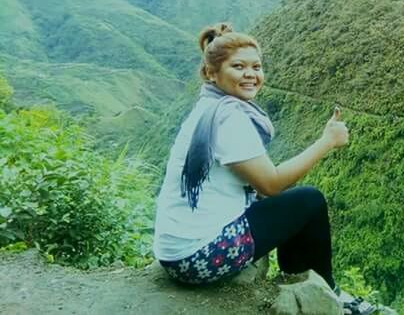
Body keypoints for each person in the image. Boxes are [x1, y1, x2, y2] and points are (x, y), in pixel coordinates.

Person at [153, 22, 375, 314]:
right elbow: (270, 184)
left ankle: (302, 282)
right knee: (309, 200)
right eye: (238, 66)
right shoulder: (228, 118)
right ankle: (328, 293)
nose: (251, 74)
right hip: (199, 258)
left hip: (176, 253)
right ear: (211, 73)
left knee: (290, 202)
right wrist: (327, 141)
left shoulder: (208, 107)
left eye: (256, 67)